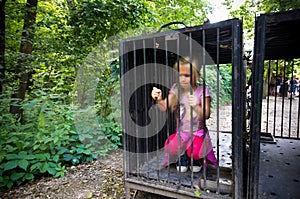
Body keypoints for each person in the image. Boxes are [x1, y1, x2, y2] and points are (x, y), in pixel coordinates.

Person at [151, 57, 217, 173]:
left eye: (187, 75)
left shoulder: (202, 90)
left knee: (196, 150)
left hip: (198, 133)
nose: (182, 79)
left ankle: (195, 158)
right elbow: (165, 107)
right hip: (182, 133)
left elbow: (206, 115)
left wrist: (196, 106)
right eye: (180, 75)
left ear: (196, 76)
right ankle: (183, 156)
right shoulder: (176, 89)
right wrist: (159, 98)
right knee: (170, 145)